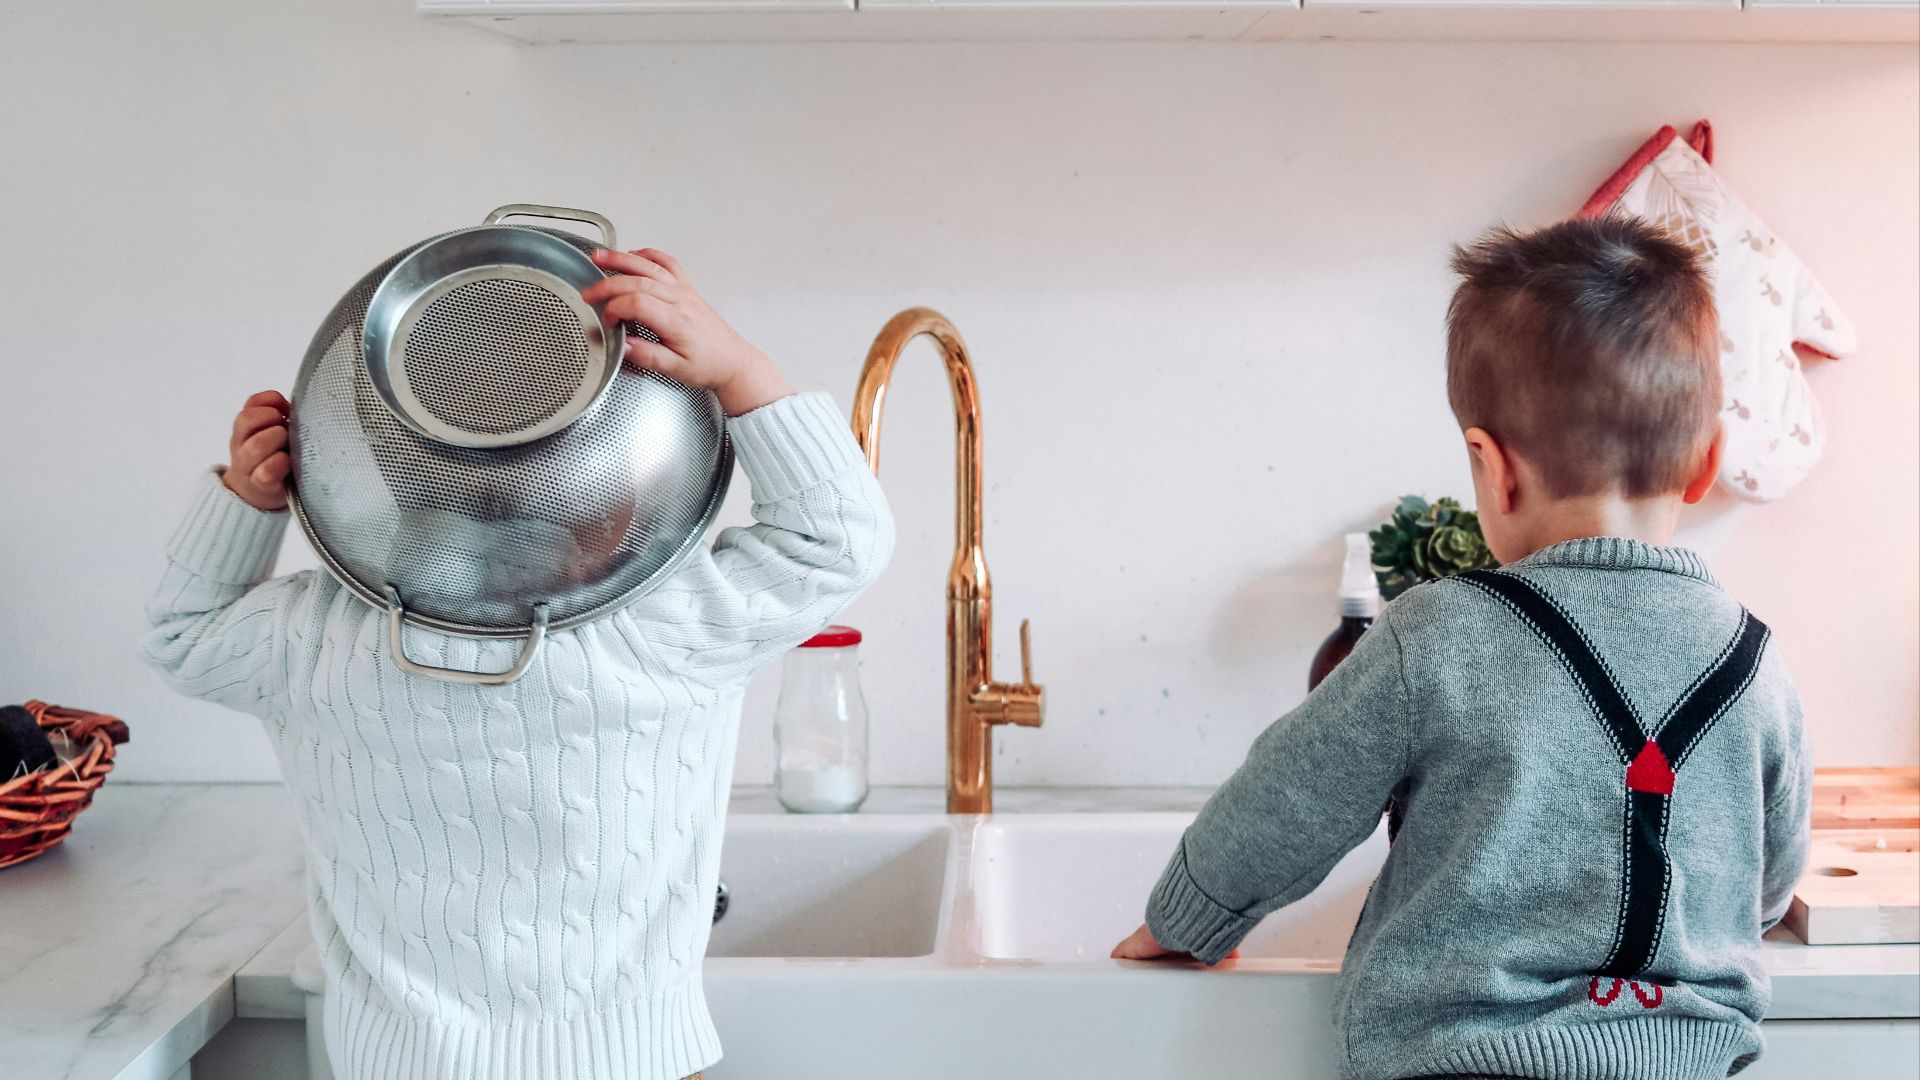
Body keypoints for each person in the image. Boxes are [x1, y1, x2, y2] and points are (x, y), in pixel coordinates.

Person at [143, 247, 893, 1080]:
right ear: (628, 475)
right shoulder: (670, 627)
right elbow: (839, 541)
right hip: (633, 1065)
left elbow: (182, 632)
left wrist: (244, 501)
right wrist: (744, 371)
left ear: (363, 454)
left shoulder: (317, 639)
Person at [1112, 217, 1812, 1080]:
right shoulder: (1754, 663)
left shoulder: (1437, 633)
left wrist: (1186, 921)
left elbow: (1287, 803)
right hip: (1689, 1065)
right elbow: (1769, 881)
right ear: (1705, 465)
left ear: (1492, 466)